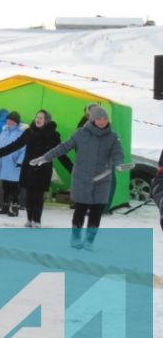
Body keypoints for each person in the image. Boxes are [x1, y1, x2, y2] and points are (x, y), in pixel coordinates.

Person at [29, 105, 124, 250]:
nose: (102, 121)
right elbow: (63, 147)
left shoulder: (112, 136)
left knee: (96, 211)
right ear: (92, 119)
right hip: (82, 178)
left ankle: (89, 241)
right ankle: (75, 238)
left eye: (104, 118)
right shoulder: (81, 133)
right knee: (81, 208)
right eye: (99, 118)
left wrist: (118, 164)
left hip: (102, 180)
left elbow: (118, 154)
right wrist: (46, 157)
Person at [0, 110, 71, 227]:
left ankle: (36, 220)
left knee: (38, 196)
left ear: (46, 120)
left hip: (43, 169)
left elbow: (60, 154)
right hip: (28, 168)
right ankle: (29, 219)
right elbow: (15, 145)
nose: (38, 120)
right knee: (29, 195)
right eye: (37, 117)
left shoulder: (53, 135)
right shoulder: (29, 132)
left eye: (41, 118)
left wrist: (71, 168)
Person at [0, 111, 25, 216]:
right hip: (3, 163)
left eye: (11, 120)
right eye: (8, 120)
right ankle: (4, 207)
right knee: (5, 187)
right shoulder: (4, 131)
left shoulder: (21, 133)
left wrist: (20, 161)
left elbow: (24, 149)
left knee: (14, 188)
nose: (9, 121)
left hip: (14, 164)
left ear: (16, 122)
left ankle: (15, 208)